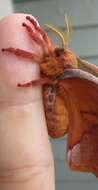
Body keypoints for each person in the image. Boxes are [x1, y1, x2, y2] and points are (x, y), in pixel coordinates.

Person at [0, 14, 55, 190]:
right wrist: (33, 29)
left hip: (55, 105)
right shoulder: (49, 55)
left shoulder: (52, 65)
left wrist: (29, 83)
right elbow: (44, 39)